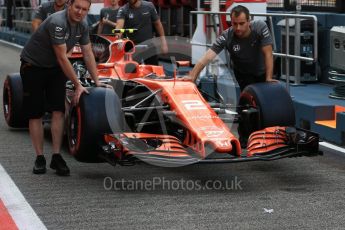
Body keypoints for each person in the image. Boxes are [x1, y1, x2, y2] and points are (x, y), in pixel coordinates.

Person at [20, 0, 111, 176]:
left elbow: (87, 53)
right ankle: (39, 158)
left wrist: (97, 81)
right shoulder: (57, 22)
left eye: (84, 9)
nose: (80, 12)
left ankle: (56, 156)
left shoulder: (83, 25)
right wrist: (78, 85)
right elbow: (62, 57)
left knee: (58, 110)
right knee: (36, 112)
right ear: (69, 5)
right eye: (77, 7)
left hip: (54, 68)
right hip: (33, 66)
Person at [188, 5, 276, 91]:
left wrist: (268, 78)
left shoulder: (260, 27)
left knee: (265, 99)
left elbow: (268, 53)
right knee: (248, 99)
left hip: (262, 71)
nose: (238, 28)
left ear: (249, 21)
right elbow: (208, 56)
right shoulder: (227, 35)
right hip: (243, 74)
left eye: (242, 23)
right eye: (235, 24)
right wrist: (193, 75)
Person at [115, 0, 168, 65]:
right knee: (132, 73)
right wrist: (118, 40)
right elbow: (119, 26)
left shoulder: (149, 6)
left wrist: (164, 43)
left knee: (153, 72)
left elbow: (158, 24)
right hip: (132, 48)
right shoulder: (123, 10)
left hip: (149, 46)